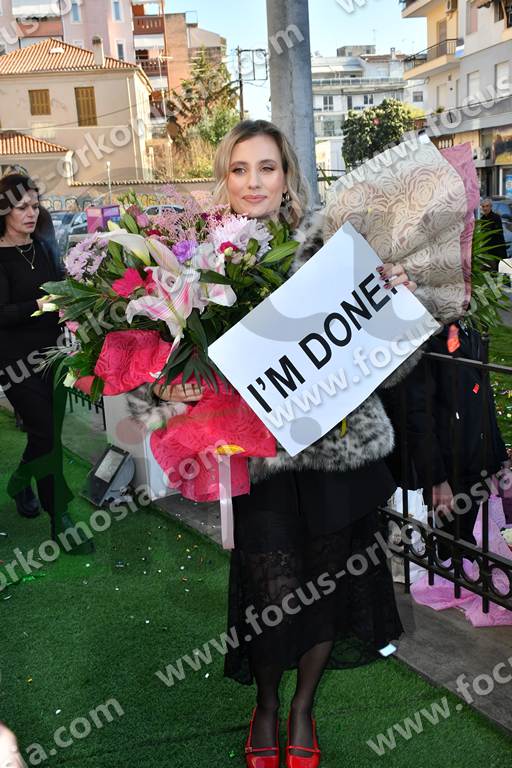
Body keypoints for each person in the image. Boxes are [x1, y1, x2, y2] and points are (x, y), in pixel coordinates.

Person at [152, 120, 422, 768]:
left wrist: (392, 310)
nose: (254, 182)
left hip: (337, 458)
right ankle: (267, 705)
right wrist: (170, 388)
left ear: (288, 176)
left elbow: (391, 370)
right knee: (272, 596)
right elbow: (170, 365)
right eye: (240, 168)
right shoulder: (196, 260)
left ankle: (302, 708)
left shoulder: (334, 249)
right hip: (260, 463)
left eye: (266, 167)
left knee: (326, 591)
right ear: (225, 178)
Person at [0, 172, 92, 554]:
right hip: (14, 365)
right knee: (47, 436)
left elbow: (64, 292)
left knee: (45, 435)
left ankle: (20, 482)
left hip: (54, 358)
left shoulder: (45, 247)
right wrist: (38, 305)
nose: (31, 213)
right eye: (22, 207)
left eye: (35, 206)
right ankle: (60, 519)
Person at [384, 319, 509, 563]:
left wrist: (498, 451)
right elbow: (417, 414)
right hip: (449, 462)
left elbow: (484, 395)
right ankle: (453, 572)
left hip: (476, 454)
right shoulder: (425, 340)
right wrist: (436, 478)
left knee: (466, 537)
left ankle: (463, 570)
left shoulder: (471, 331)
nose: (466, 298)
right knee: (450, 544)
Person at [479, 198, 508, 274]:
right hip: (487, 249)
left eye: (487, 206)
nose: (485, 208)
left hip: (497, 248)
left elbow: (498, 232)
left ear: (491, 207)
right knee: (488, 270)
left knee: (498, 270)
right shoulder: (482, 219)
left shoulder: (496, 217)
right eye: (483, 206)